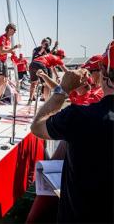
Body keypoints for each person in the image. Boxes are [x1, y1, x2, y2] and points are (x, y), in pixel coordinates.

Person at [30, 41, 114, 223]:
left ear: (102, 71)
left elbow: (37, 126)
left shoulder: (82, 114)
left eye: (91, 71)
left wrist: (64, 88)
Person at [0, 23, 20, 102]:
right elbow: (1, 51)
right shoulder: (2, 38)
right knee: (1, 80)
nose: (15, 32)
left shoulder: (8, 39)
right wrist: (13, 48)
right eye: (14, 30)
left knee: (5, 80)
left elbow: (8, 51)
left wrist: (14, 54)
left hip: (3, 61)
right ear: (9, 29)